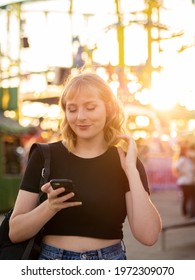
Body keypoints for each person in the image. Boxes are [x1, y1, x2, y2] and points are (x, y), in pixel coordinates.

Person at [9, 71, 162, 260]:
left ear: (109, 109)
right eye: (72, 109)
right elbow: (15, 232)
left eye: (90, 107)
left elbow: (148, 236)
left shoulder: (126, 161)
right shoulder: (43, 155)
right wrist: (50, 206)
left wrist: (131, 171)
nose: (80, 117)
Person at [173, 142, 195, 217]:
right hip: (185, 182)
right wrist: (182, 173)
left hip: (189, 181)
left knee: (190, 197)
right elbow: (176, 168)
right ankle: (185, 213)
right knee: (186, 197)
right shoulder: (182, 159)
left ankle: (190, 213)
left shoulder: (188, 159)